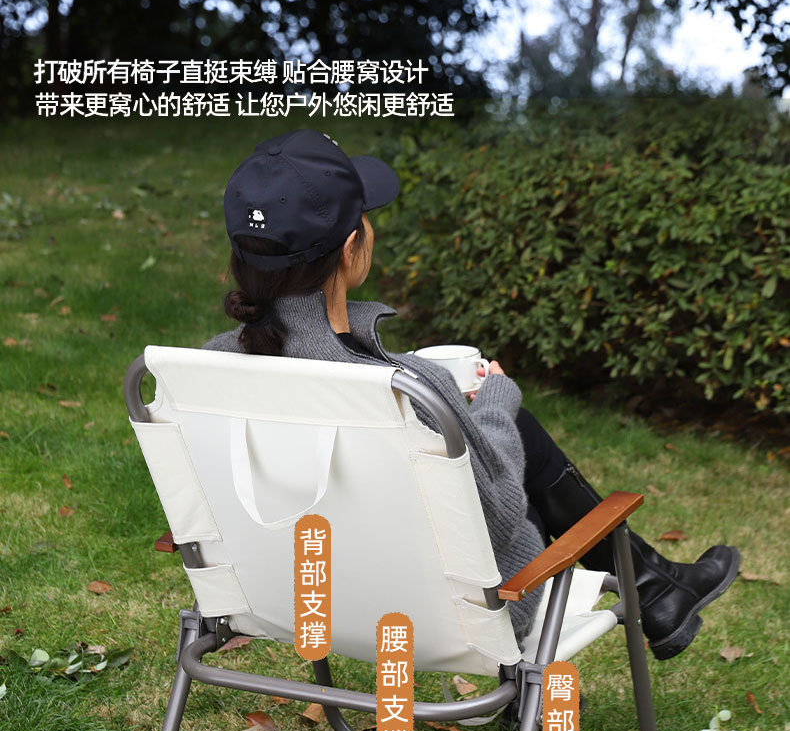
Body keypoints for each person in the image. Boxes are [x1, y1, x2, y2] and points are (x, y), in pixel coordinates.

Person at [204, 128, 740, 656]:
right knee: (508, 435)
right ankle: (650, 591)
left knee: (487, 432)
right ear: (350, 249)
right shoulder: (409, 386)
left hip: (289, 600)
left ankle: (658, 587)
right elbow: (500, 518)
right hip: (443, 616)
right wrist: (497, 405)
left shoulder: (207, 373)